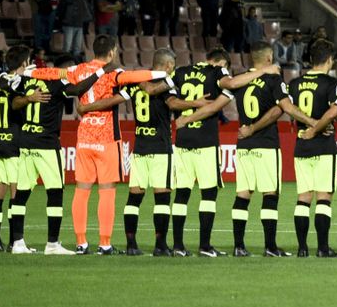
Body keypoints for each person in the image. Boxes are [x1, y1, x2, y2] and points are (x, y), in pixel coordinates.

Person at [68, 35, 170, 254]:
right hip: (106, 138)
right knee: (107, 192)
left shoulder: (80, 70)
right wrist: (163, 74)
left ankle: (81, 242)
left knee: (81, 191)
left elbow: (57, 77)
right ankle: (105, 243)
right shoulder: (115, 73)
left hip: (84, 137)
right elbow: (134, 79)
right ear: (112, 52)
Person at [169, 49, 259, 257]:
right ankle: (205, 246)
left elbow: (170, 101)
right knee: (208, 194)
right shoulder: (217, 72)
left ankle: (178, 246)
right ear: (220, 62)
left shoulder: (180, 72)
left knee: (181, 194)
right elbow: (231, 84)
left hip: (182, 140)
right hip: (205, 142)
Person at [13, 57, 101, 255]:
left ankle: (18, 242)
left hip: (26, 142)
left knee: (21, 193)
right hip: (46, 143)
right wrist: (99, 73)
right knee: (55, 192)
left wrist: (28, 98)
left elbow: (14, 103)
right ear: (66, 69)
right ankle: (52, 244)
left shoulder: (30, 80)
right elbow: (78, 89)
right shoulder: (58, 82)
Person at [229, 42, 308, 256]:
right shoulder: (273, 79)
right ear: (269, 57)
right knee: (270, 195)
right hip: (265, 143)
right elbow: (282, 109)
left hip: (244, 144)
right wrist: (312, 122)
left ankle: (238, 246)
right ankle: (270, 247)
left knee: (243, 195)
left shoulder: (241, 80)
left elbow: (229, 86)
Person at [288, 39, 337, 257]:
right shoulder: (331, 84)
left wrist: (308, 126)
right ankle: (323, 248)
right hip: (323, 145)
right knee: (324, 197)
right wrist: (320, 126)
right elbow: (336, 112)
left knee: (303, 198)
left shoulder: (295, 83)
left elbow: (289, 110)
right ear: (329, 60)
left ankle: (302, 248)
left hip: (302, 144)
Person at [0, 46, 43, 253]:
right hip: (15, 143)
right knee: (16, 194)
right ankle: (15, 241)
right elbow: (18, 104)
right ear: (24, 63)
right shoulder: (19, 85)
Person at [121, 48, 178, 255]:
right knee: (162, 199)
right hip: (160, 147)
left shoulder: (137, 81)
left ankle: (131, 245)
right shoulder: (166, 85)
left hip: (140, 147)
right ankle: (160, 245)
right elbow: (173, 104)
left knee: (134, 199)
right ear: (168, 65)